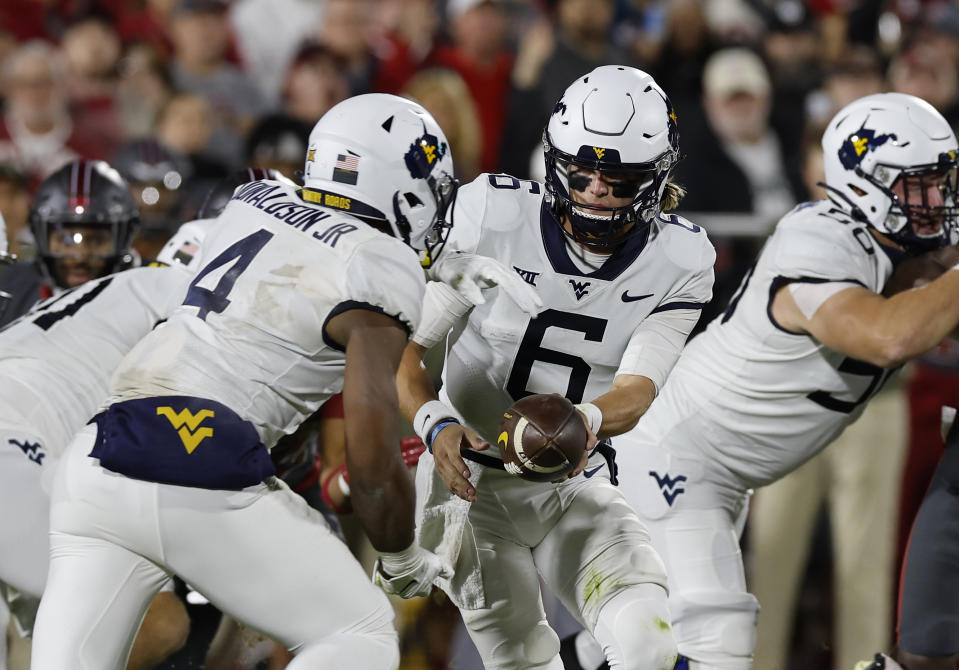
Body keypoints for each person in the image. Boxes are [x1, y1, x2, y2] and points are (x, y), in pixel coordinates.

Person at [28, 93, 457, 670]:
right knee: (360, 630)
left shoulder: (254, 199)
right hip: (196, 463)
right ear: (402, 189)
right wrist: (402, 555)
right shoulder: (380, 264)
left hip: (96, 460)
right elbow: (373, 467)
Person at [568, 91, 959, 670]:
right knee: (715, 644)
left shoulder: (905, 248)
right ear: (863, 185)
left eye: (943, 183)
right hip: (678, 453)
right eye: (919, 185)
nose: (938, 201)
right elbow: (887, 336)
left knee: (639, 643)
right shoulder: (820, 239)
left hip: (721, 469)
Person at [394, 66, 715, 670]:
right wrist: (435, 424)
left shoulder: (681, 260)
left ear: (655, 178)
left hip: (574, 481)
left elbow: (637, 389)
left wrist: (583, 421)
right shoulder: (490, 215)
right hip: (470, 485)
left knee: (649, 644)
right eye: (581, 171)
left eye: (616, 179)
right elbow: (407, 351)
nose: (594, 189)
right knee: (522, 660)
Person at [0, 158, 140, 327]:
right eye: (66, 240)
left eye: (96, 240)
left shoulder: (150, 296)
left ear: (123, 238)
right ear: (41, 236)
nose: (79, 257)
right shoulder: (10, 287)